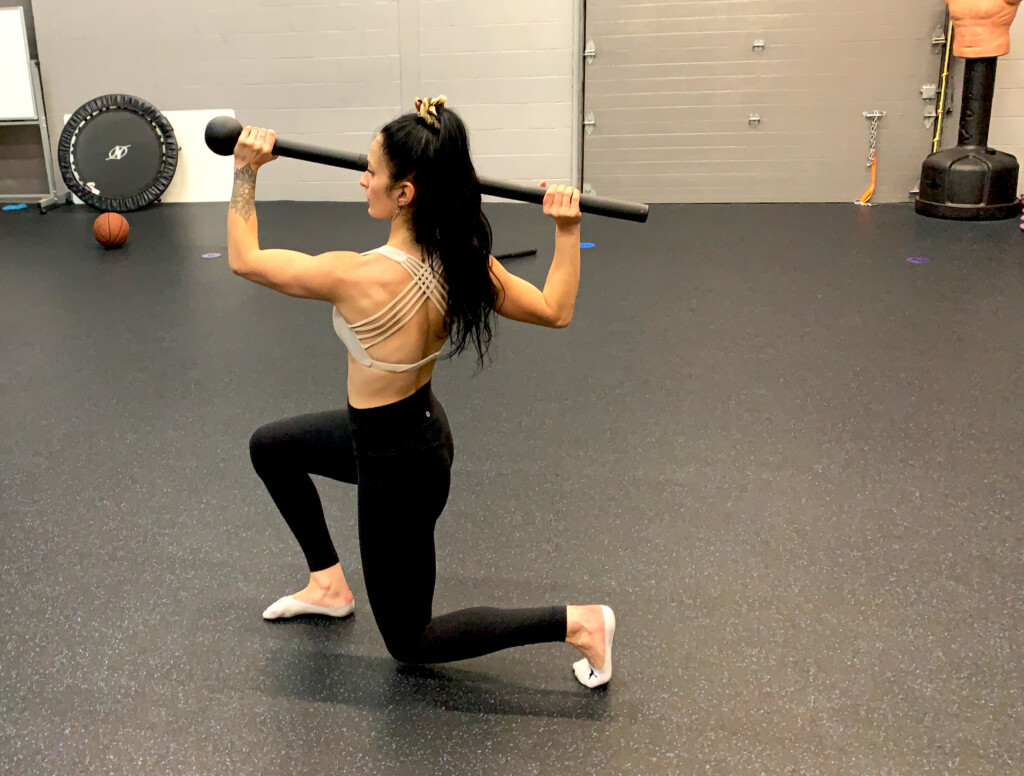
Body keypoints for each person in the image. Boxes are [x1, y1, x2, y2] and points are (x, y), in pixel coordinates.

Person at [225, 96, 615, 688]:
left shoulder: (359, 275)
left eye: (372, 172)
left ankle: (578, 623)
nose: (363, 180)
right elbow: (554, 309)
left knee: (411, 640)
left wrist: (245, 169)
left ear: (405, 192)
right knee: (272, 447)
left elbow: (245, 259)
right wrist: (567, 229)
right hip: (410, 431)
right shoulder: (463, 261)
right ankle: (327, 584)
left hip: (398, 466)